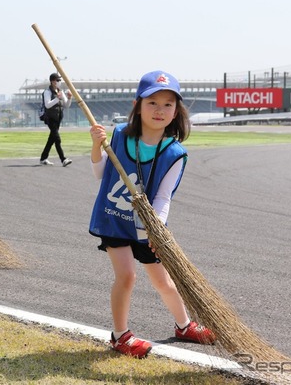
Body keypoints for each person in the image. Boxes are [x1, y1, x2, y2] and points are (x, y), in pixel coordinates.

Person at [88, 70, 215, 358]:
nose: (160, 110)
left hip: (149, 227)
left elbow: (163, 198)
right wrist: (97, 146)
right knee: (127, 277)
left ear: (176, 111)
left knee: (164, 281)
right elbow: (99, 173)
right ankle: (120, 336)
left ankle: (184, 326)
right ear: (137, 105)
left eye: (168, 104)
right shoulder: (119, 135)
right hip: (114, 219)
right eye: (152, 102)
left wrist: (155, 231)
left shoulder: (175, 153)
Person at [40, 72, 73, 166]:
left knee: (51, 140)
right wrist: (57, 99)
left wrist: (69, 98)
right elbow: (47, 104)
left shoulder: (60, 91)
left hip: (58, 118)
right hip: (50, 118)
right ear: (52, 81)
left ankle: (43, 158)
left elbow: (66, 105)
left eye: (59, 80)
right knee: (57, 139)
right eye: (58, 80)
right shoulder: (47, 92)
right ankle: (63, 159)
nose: (59, 82)